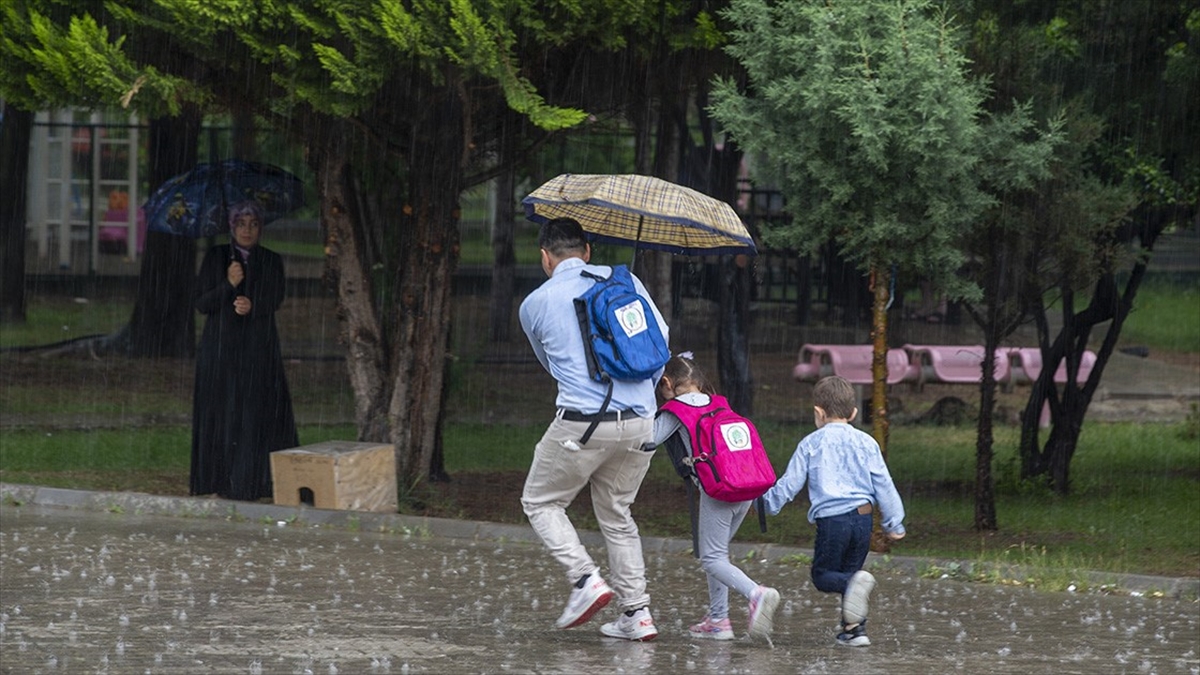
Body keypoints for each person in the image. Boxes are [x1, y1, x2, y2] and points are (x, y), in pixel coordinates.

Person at [518, 217, 668, 642]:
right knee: (618, 515)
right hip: (642, 421)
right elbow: (661, 344)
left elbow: (550, 364)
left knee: (541, 502)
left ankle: (585, 580)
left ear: (545, 258)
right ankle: (637, 614)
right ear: (588, 251)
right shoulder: (627, 284)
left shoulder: (535, 303)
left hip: (583, 423)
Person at [761, 375, 906, 647]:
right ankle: (854, 631)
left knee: (824, 575)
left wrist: (766, 504)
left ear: (818, 412)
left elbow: (789, 484)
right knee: (852, 574)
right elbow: (884, 483)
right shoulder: (867, 443)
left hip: (833, 521)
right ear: (853, 412)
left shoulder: (811, 443)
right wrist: (894, 523)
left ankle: (853, 595)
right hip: (863, 518)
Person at [653, 353, 781, 641]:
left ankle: (756, 594)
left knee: (711, 559)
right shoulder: (719, 403)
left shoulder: (676, 409)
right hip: (743, 488)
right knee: (719, 556)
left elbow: (648, 438)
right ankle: (718, 619)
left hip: (717, 493)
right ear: (698, 382)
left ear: (667, 383)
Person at [190, 201, 298, 502]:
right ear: (231, 227)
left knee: (254, 412)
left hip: (257, 348)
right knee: (224, 412)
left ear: (260, 227)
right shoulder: (217, 258)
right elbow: (202, 303)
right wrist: (229, 284)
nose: (247, 230)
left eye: (252, 224)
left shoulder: (271, 260)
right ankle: (221, 479)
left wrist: (253, 306)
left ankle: (254, 481)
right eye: (241, 224)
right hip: (221, 349)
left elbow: (275, 297)